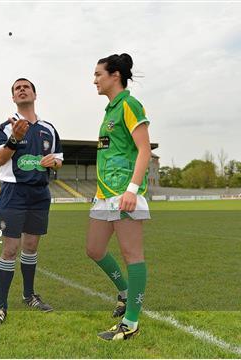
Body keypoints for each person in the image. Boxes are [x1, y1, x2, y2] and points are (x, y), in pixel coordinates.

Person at [0, 78, 63, 328]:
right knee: (10, 249)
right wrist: (14, 139)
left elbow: (58, 159)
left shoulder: (48, 129)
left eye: (25, 86)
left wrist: (54, 162)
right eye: (16, 88)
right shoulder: (6, 127)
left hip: (39, 193)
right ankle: (0, 307)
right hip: (13, 192)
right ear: (13, 98)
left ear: (34, 94)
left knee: (30, 246)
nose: (21, 89)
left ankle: (29, 295)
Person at [87, 53, 151, 341]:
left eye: (99, 74)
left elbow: (144, 150)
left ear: (115, 75)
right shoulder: (109, 111)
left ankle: (131, 322)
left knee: (132, 255)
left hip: (125, 193)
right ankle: (125, 293)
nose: (95, 79)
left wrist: (132, 190)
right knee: (94, 249)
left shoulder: (129, 104)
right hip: (104, 195)